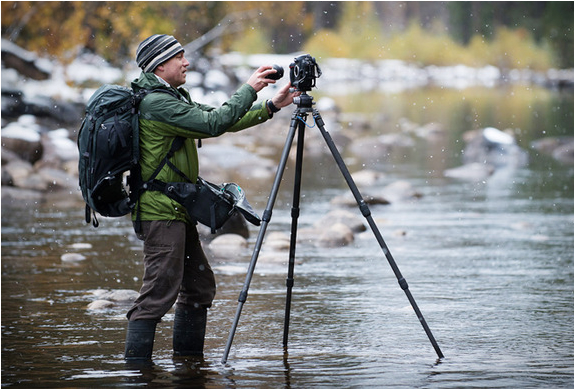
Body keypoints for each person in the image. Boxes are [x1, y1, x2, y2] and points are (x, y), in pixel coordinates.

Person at [124, 34, 299, 361]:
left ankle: (188, 366)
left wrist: (271, 106)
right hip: (160, 213)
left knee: (199, 288)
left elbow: (223, 117)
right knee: (156, 297)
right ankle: (138, 375)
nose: (186, 62)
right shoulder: (156, 102)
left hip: (177, 208)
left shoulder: (170, 95)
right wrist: (249, 88)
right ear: (160, 65)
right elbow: (212, 124)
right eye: (179, 57)